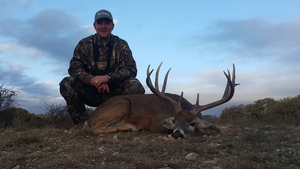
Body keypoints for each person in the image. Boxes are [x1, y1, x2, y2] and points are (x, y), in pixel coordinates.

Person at [59, 9, 145, 125]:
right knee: (67, 83)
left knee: (135, 86)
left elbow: (131, 69)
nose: (103, 26)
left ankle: (122, 122)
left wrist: (108, 78)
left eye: (107, 23)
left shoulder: (121, 45)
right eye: (100, 23)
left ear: (112, 26)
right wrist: (93, 80)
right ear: (94, 26)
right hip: (90, 91)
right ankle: (81, 125)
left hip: (115, 93)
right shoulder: (84, 44)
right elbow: (74, 68)